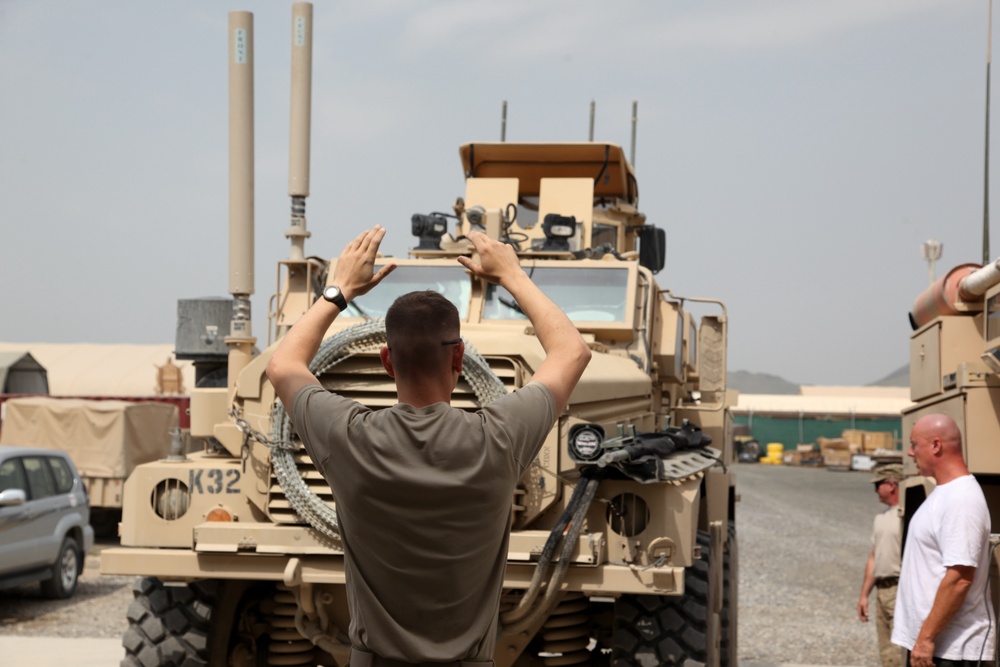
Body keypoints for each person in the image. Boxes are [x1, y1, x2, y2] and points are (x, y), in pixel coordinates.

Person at [266, 225, 592, 667]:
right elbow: (572, 352)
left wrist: (339, 289)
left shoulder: (350, 438)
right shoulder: (498, 437)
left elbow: (283, 365)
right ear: (459, 357)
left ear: (386, 361)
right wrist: (512, 275)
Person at [891, 414, 995, 667]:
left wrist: (926, 640)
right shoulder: (945, 493)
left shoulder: (962, 499)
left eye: (914, 444)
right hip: (934, 646)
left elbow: (959, 577)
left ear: (936, 445)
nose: (910, 452)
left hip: (951, 651)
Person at [857, 463, 904, 667]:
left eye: (878, 485)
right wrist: (864, 595)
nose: (876, 490)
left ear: (892, 485)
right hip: (882, 589)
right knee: (886, 651)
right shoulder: (881, 518)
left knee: (900, 650)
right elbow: (874, 557)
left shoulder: (906, 516)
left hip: (899, 587)